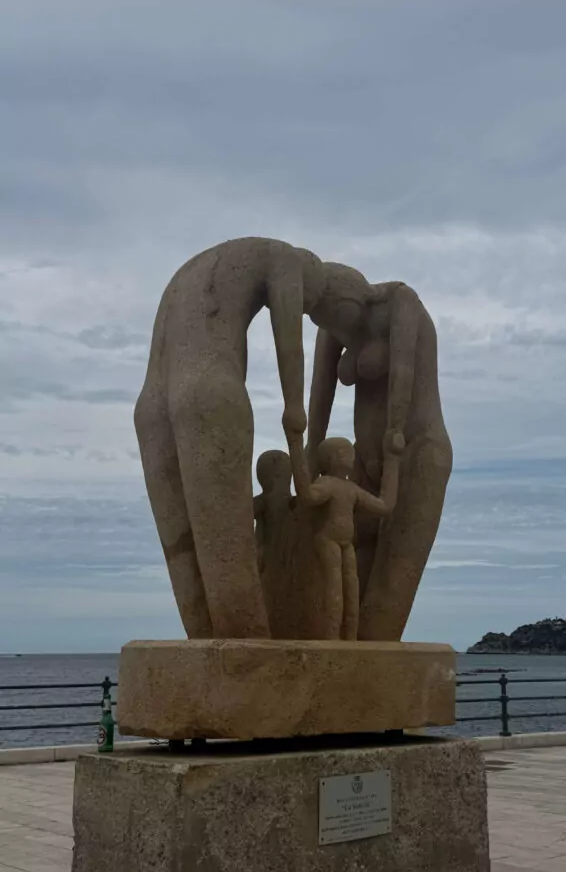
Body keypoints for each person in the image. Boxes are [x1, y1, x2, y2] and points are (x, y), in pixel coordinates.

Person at [134, 238, 379, 639]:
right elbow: (288, 339)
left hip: (151, 405)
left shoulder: (195, 267)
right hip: (211, 392)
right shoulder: (285, 259)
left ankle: (206, 651)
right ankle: (249, 661)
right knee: (228, 551)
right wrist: (294, 407)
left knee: (184, 545)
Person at [307, 280, 452, 640]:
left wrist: (396, 433)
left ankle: (371, 692)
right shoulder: (329, 325)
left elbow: (402, 370)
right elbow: (320, 389)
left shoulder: (398, 301)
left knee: (384, 608)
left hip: (415, 451)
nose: (337, 328)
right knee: (342, 596)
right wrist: (310, 450)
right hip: (364, 462)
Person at [286, 435, 401, 640]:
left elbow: (385, 506)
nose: (349, 457)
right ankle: (332, 636)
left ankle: (349, 637)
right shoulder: (327, 483)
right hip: (327, 539)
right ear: (328, 459)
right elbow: (308, 496)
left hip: (346, 543)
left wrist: (393, 461)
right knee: (333, 588)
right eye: (342, 452)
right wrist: (295, 446)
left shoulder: (351, 489)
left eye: (350, 453)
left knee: (351, 591)